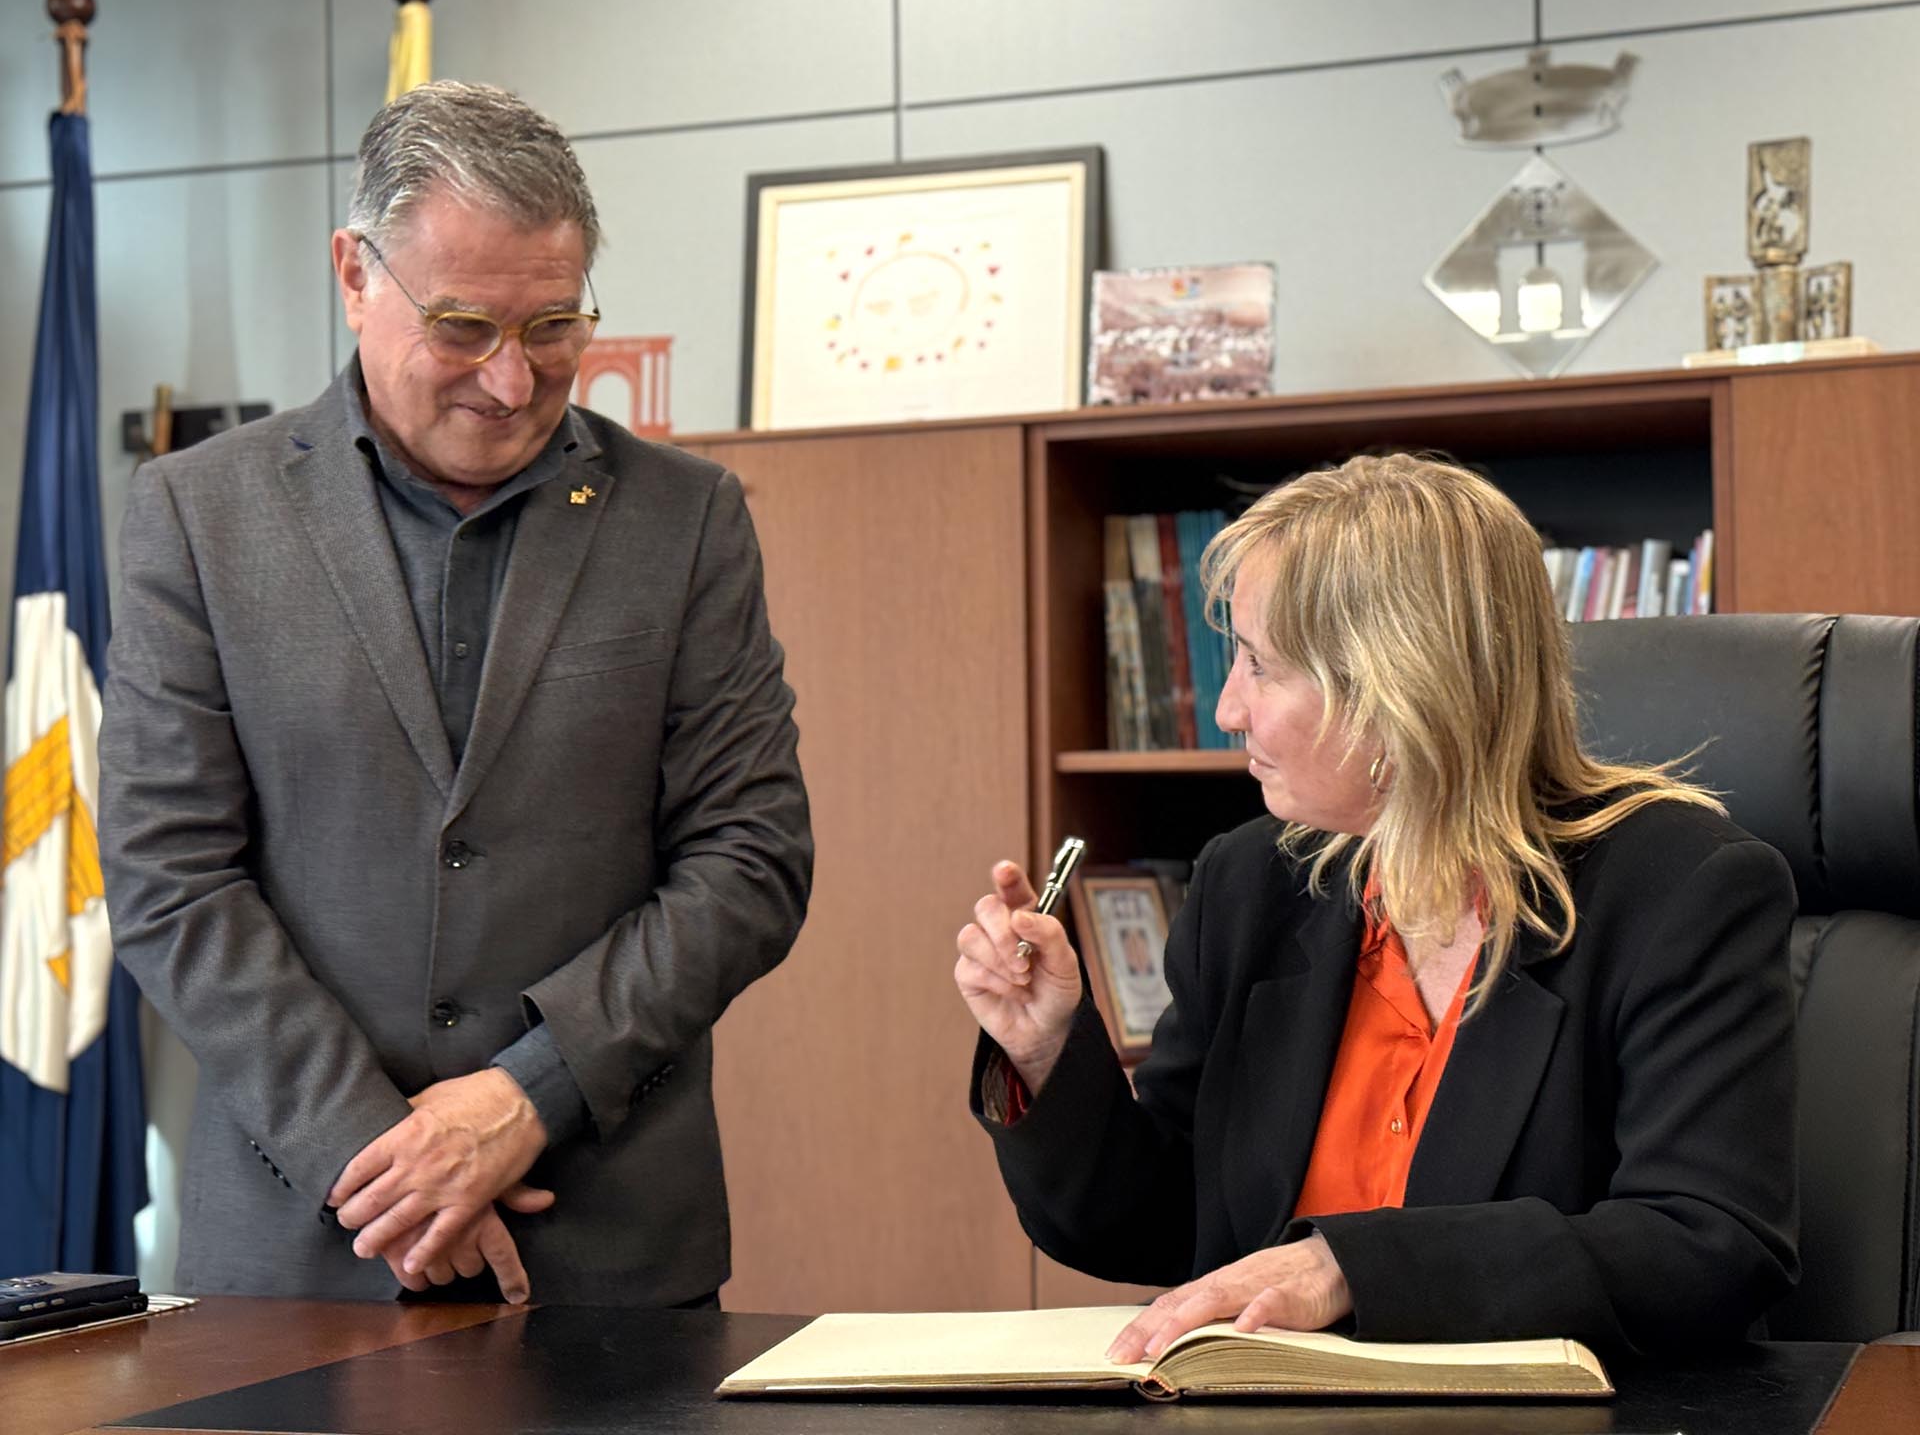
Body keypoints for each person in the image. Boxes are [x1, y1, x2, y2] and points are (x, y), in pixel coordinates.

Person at [98, 81, 812, 1307]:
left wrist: (528, 1095)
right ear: (354, 274)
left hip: (608, 1253)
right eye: (465, 325)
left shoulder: (687, 520)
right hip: (296, 1258)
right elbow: (172, 879)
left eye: (551, 328)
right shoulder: (198, 516)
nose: (511, 380)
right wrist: (376, 1158)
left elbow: (750, 858)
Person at [954, 453, 1796, 1357]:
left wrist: (1346, 1269)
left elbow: (1708, 1248)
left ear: (1399, 687)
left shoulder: (1679, 889)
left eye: (1259, 666)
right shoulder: (1250, 884)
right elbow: (1160, 1224)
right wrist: (1045, 1053)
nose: (1228, 709)